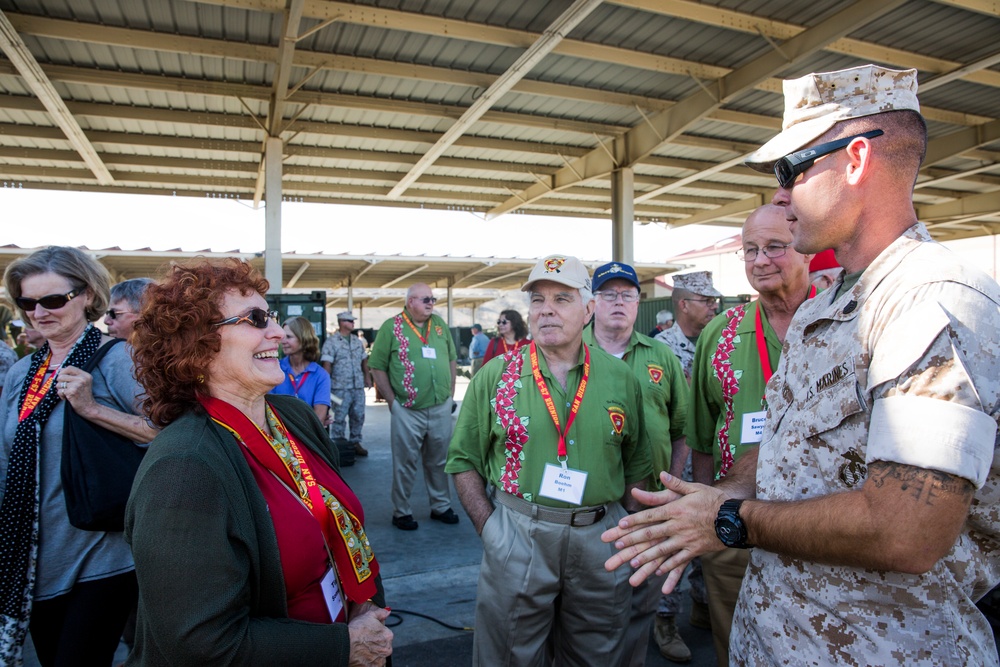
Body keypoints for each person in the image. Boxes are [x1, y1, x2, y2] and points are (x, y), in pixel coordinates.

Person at [604, 64, 1000, 665]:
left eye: (793, 169)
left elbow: (907, 531)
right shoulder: (833, 304)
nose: (781, 196)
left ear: (858, 159)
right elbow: (787, 444)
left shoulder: (931, 300)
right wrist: (713, 500)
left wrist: (732, 520)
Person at [126, 258, 392, 665]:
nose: (279, 332)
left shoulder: (293, 417)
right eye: (255, 319)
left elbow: (333, 530)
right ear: (198, 343)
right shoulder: (183, 468)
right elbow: (200, 642)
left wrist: (364, 609)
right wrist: (344, 648)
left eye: (272, 316)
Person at [447, 254, 652, 666]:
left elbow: (637, 465)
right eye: (537, 300)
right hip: (518, 533)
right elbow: (462, 460)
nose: (547, 310)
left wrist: (627, 530)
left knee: (598, 652)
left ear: (588, 309)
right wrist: (491, 529)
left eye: (562, 298)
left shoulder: (620, 377)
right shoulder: (496, 375)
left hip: (600, 538)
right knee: (507, 654)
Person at [0, 246, 156, 665]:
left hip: (103, 556)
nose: (39, 312)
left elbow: (170, 437)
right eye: (28, 302)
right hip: (34, 558)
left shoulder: (119, 359)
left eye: (52, 300)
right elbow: (5, 457)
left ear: (87, 295)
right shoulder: (22, 372)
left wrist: (91, 409)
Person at [687, 204, 814, 666]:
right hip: (735, 526)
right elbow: (702, 437)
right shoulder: (719, 335)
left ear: (805, 248)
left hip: (826, 528)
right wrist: (707, 511)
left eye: (775, 247)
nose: (760, 260)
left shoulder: (840, 318)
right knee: (735, 647)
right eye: (750, 250)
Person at [582, 261, 689, 666]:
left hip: (649, 506)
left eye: (626, 294)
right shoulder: (572, 355)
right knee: (588, 609)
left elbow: (680, 429)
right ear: (592, 303)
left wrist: (671, 488)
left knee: (642, 603)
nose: (618, 302)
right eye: (608, 294)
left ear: (638, 302)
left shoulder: (661, 355)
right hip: (593, 507)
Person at [369, 283, 460, 531]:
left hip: (440, 406)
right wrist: (391, 401)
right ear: (410, 302)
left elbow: (451, 360)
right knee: (405, 462)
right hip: (407, 409)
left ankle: (441, 505)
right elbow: (376, 366)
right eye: (425, 299)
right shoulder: (392, 327)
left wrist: (450, 395)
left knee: (439, 460)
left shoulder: (439, 326)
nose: (431, 303)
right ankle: (402, 511)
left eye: (433, 299)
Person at [654, 271, 722, 381]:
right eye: (707, 300)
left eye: (714, 300)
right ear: (684, 305)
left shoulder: (719, 340)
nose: (714, 306)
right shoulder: (662, 346)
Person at [321, 311, 372, 458]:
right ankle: (338, 444)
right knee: (338, 416)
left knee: (358, 415)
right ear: (342, 322)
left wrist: (367, 378)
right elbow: (327, 364)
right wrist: (325, 385)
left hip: (357, 387)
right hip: (339, 387)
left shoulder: (357, 341)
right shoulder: (331, 342)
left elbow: (364, 361)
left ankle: (355, 442)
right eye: (350, 321)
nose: (353, 324)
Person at [271, 316, 332, 424]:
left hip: (306, 438)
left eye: (289, 337)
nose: (283, 341)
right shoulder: (274, 369)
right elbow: (267, 412)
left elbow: (318, 420)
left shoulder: (320, 375)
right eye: (283, 337)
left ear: (304, 338)